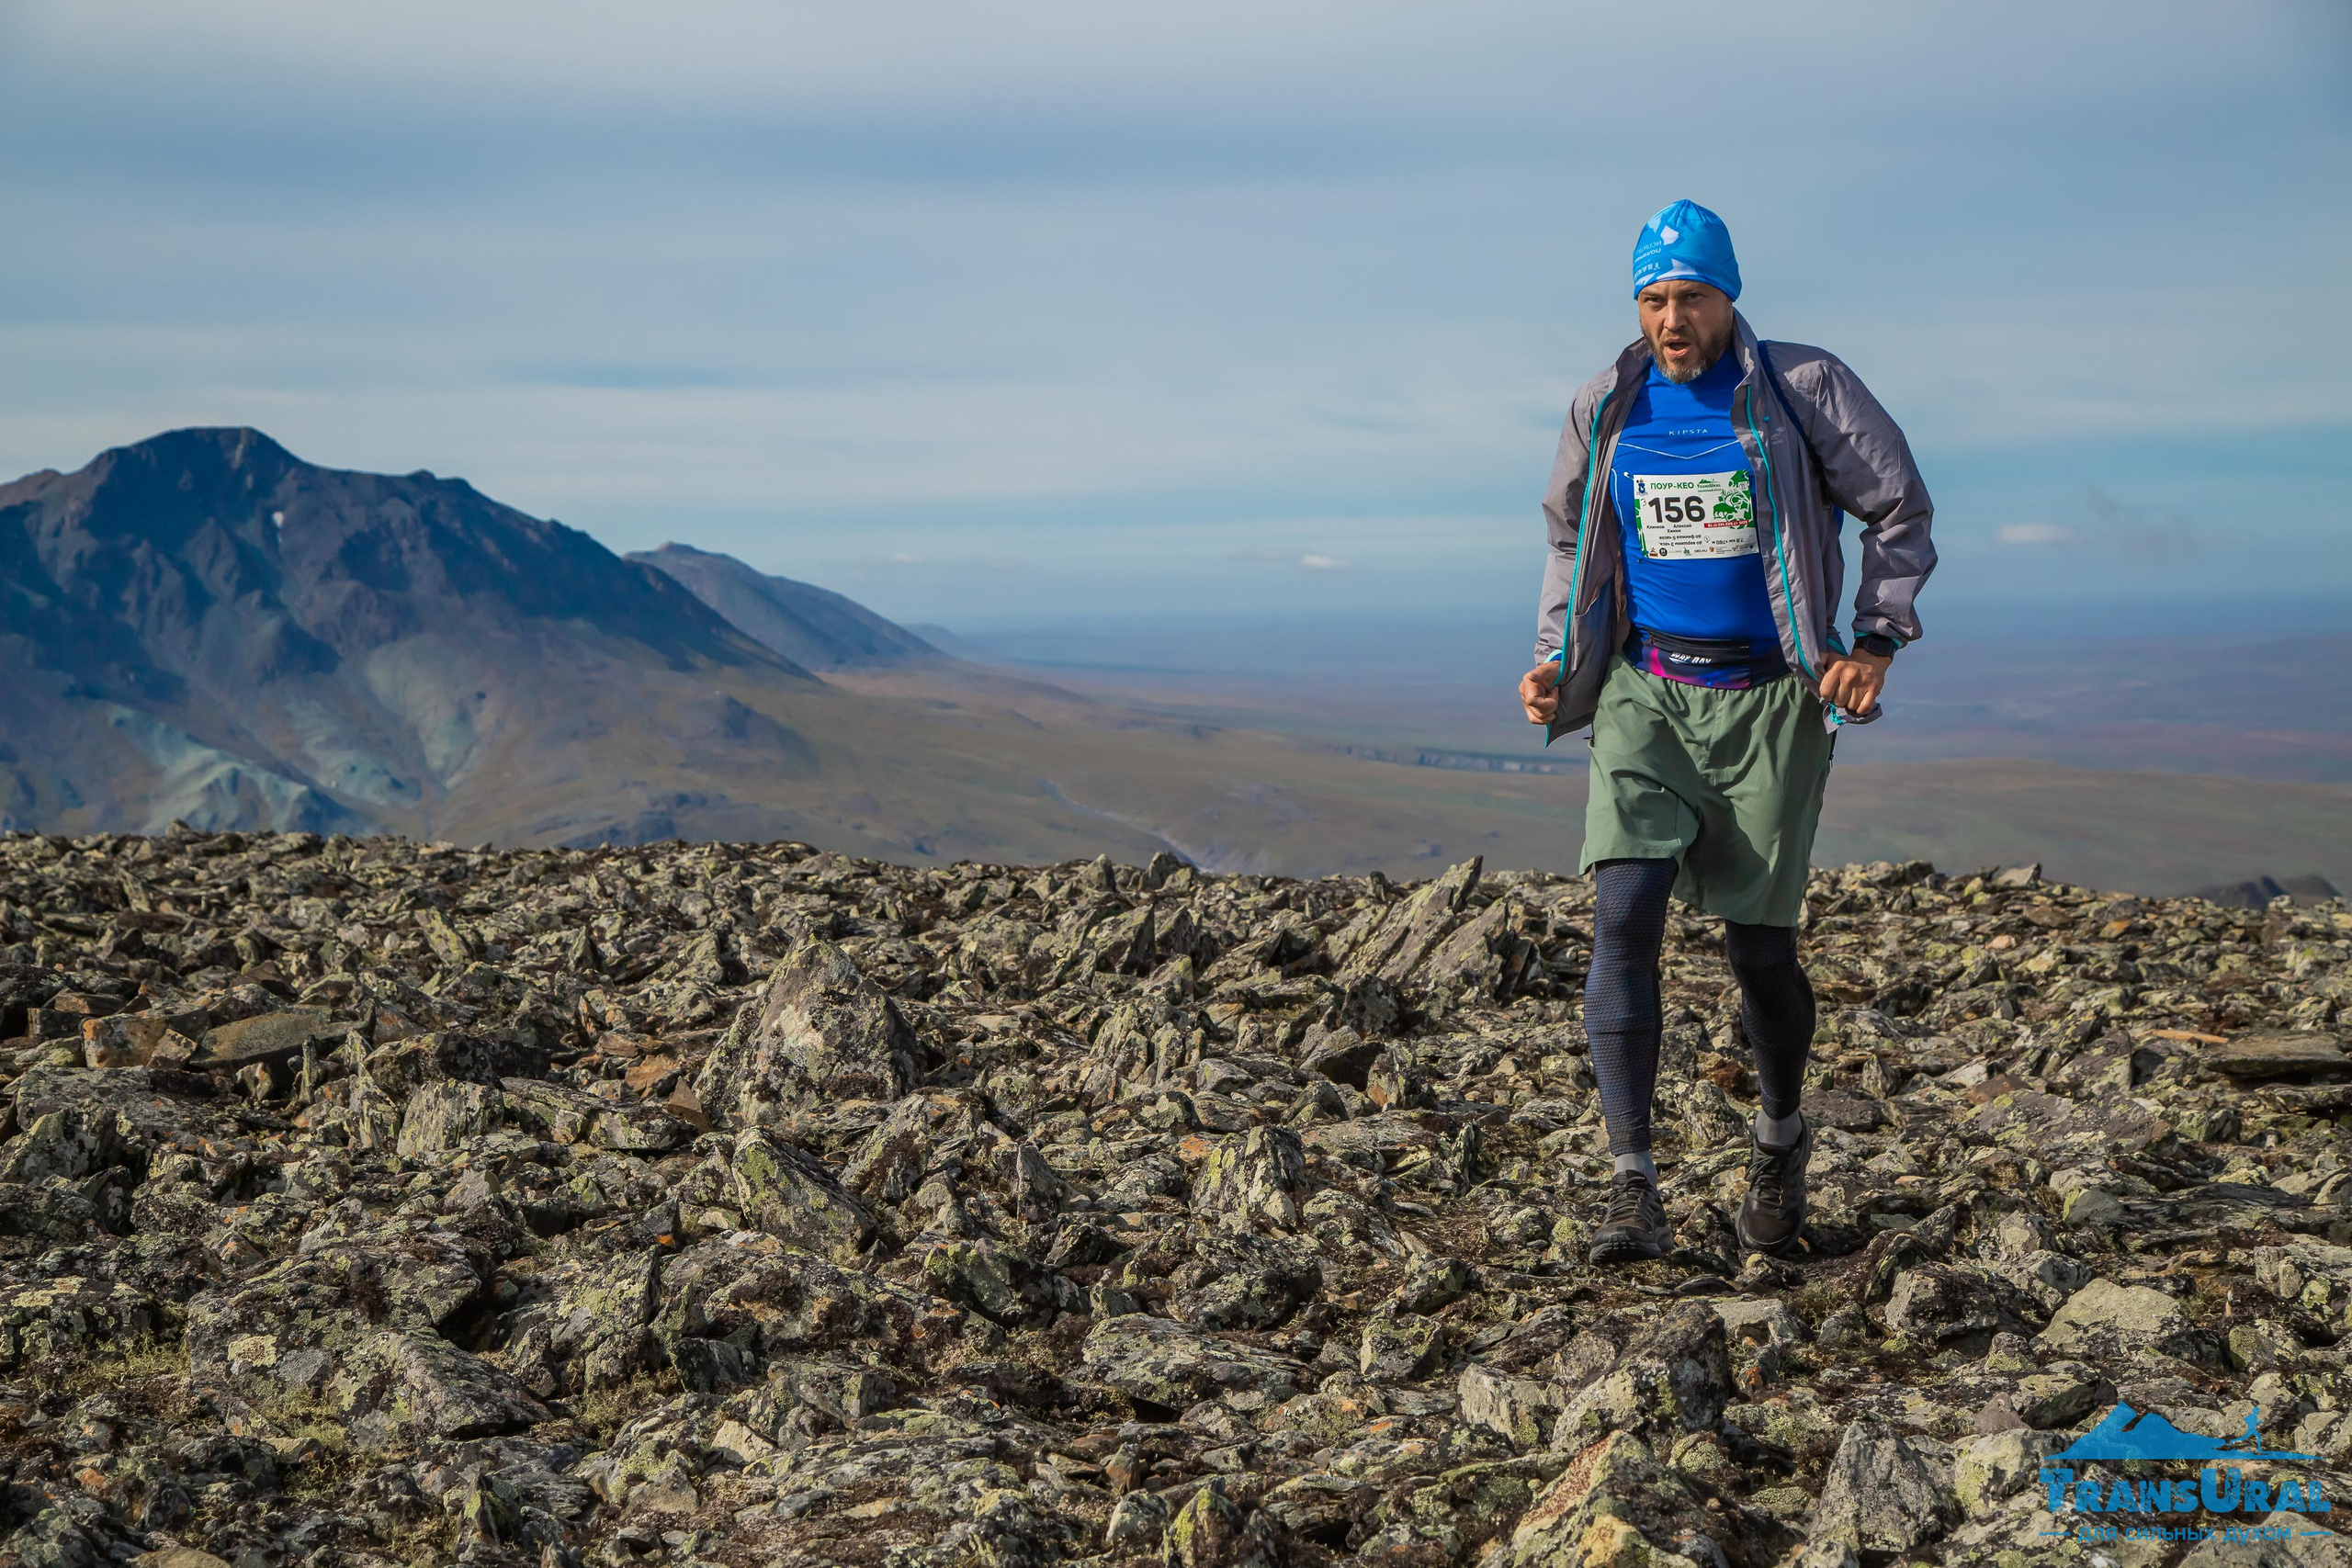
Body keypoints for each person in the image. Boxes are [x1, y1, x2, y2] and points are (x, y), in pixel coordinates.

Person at [1519, 199, 1935, 1264]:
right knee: (1623, 914)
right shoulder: (1607, 405)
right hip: (1647, 692)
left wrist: (1873, 643)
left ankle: (1780, 1138)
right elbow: (1571, 538)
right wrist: (1558, 660)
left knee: (1758, 952)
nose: (1672, 319)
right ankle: (1632, 1186)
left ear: (1728, 297)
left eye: (1692, 297)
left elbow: (1896, 507)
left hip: (1770, 701)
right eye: (1654, 299)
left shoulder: (1802, 390)